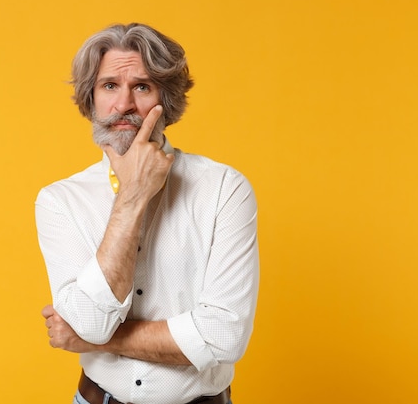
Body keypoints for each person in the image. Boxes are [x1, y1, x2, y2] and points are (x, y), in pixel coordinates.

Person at [36, 23, 259, 404]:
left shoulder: (224, 188)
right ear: (91, 99)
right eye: (109, 86)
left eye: (141, 86)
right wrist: (133, 196)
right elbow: (90, 321)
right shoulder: (60, 200)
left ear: (166, 100)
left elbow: (224, 336)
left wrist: (93, 339)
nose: (124, 105)